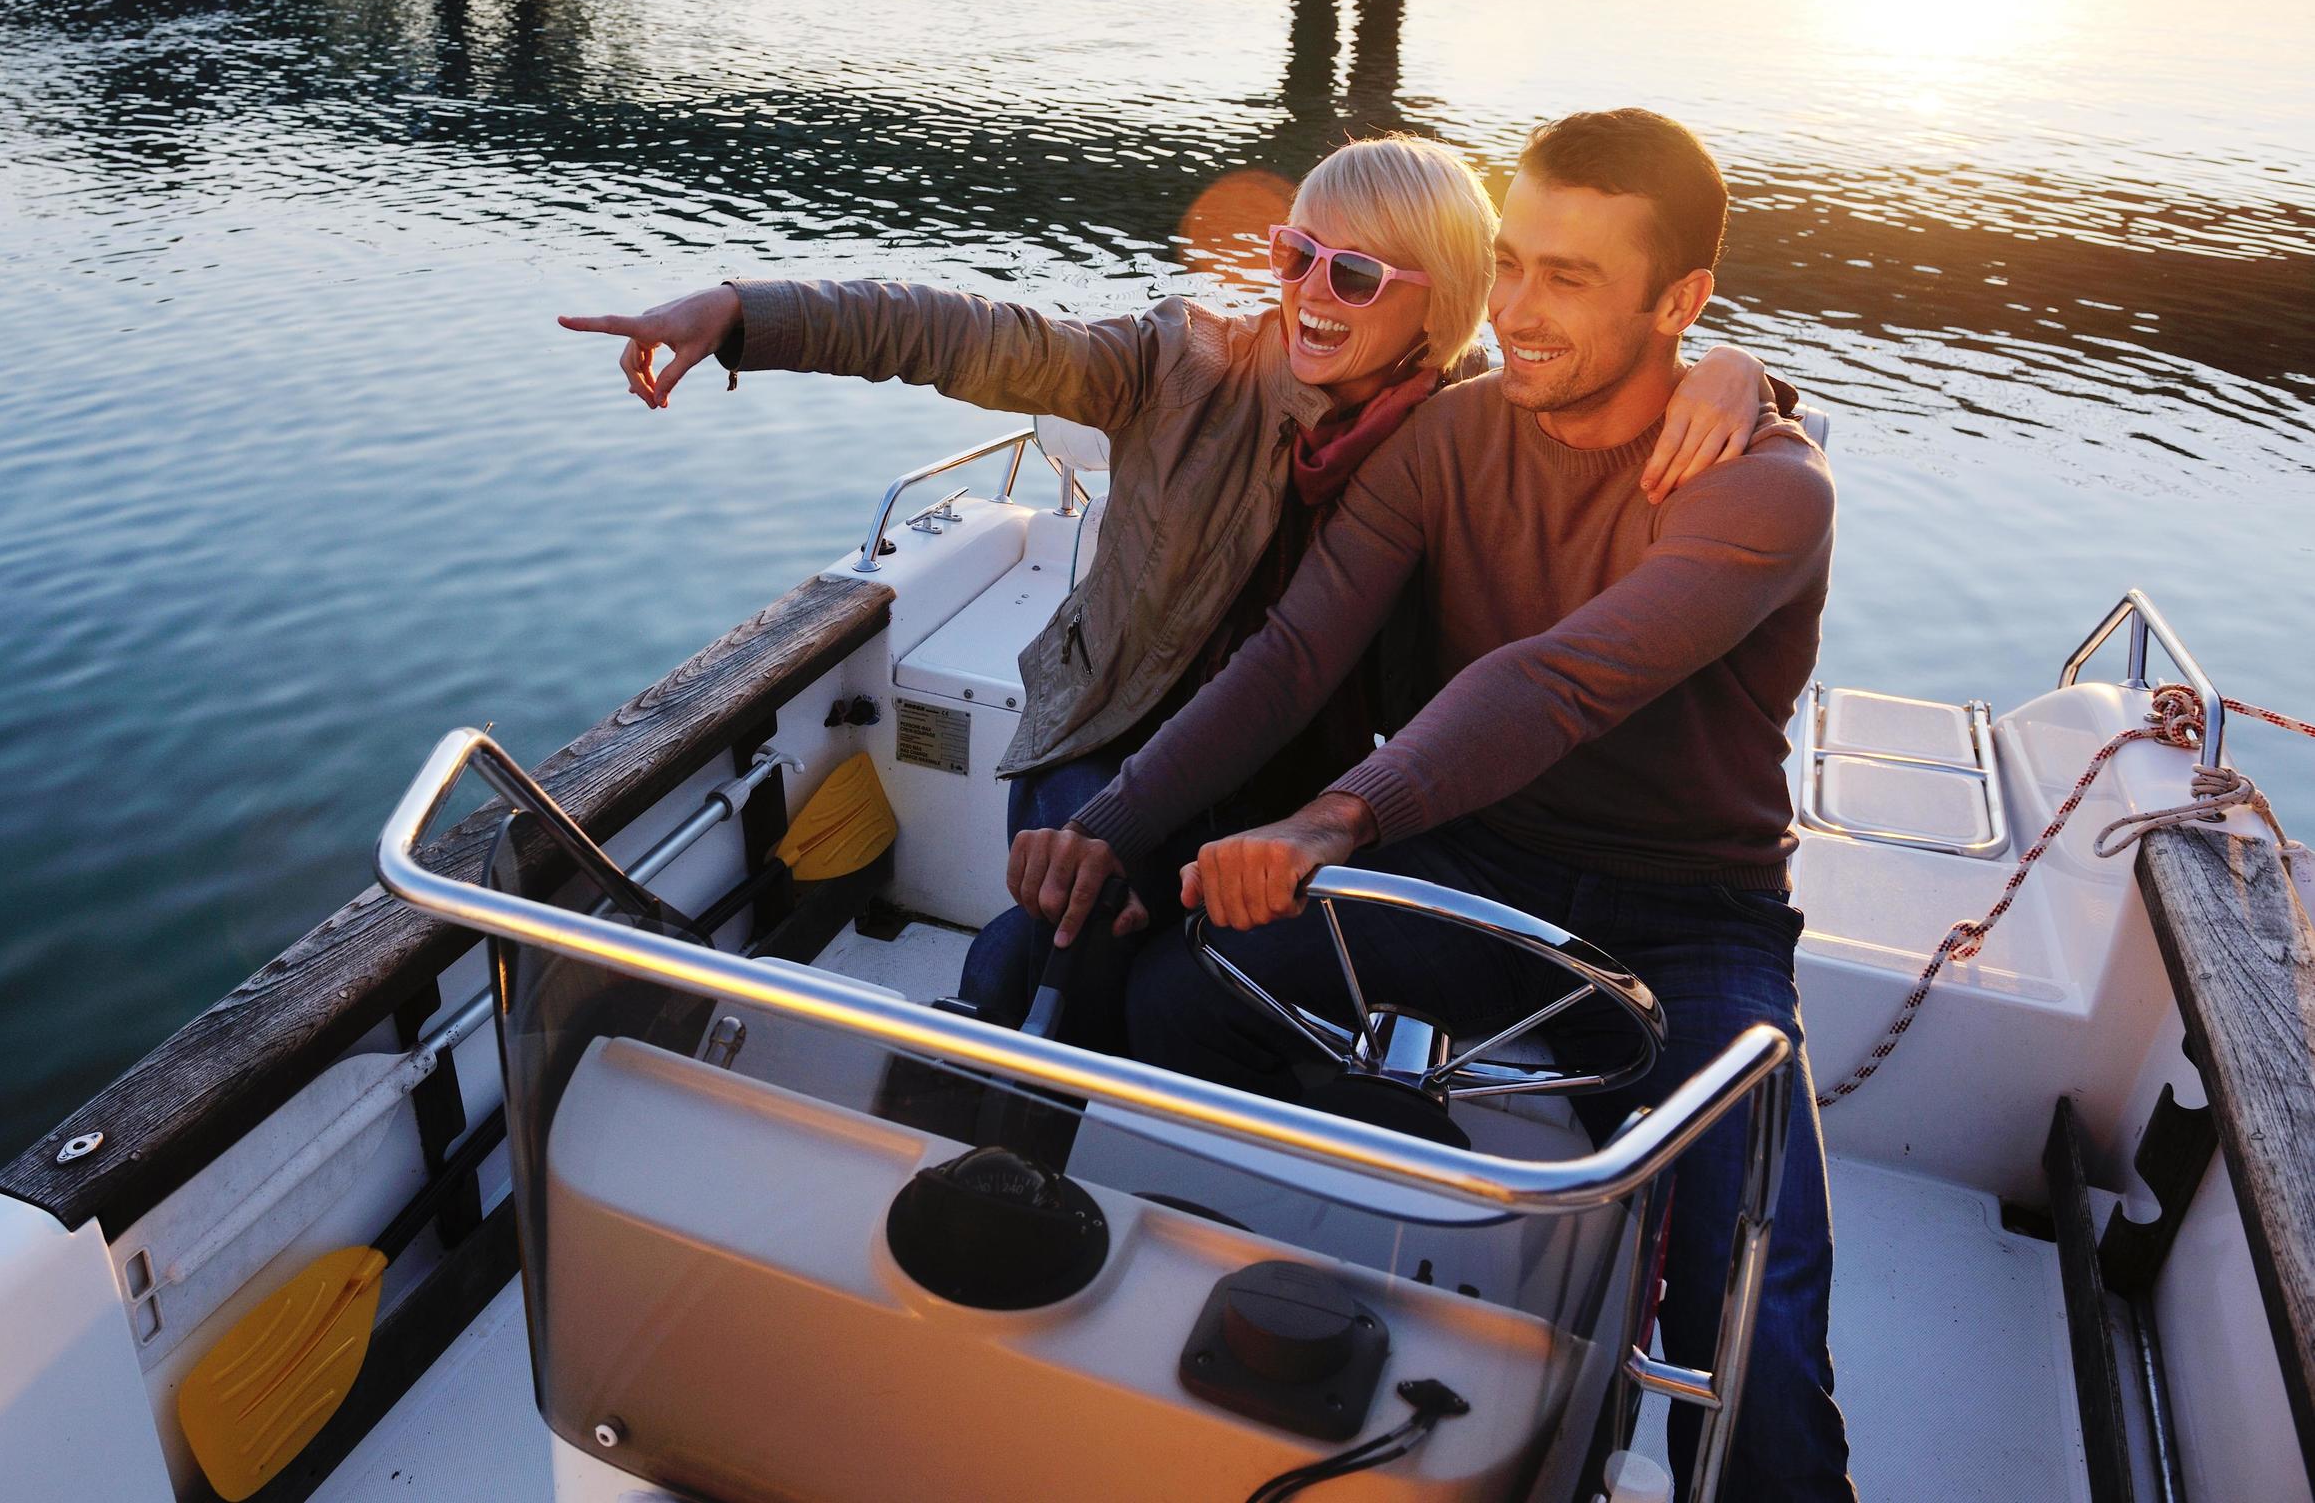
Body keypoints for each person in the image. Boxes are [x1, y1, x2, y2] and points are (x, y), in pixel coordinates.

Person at [1036, 109, 1848, 1498]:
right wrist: (1112, 822)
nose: (1518, 313)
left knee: (1752, 1299)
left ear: (1684, 305)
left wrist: (1333, 823)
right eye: (1511, 262)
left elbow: (1560, 684)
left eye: (1571, 280)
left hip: (1692, 917)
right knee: (1174, 992)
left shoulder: (1767, 487)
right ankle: (1287, 1309)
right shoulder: (1450, 437)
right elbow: (1297, 656)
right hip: (1483, 862)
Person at [560, 136, 1789, 1050]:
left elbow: (1611, 364)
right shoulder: (1182, 364)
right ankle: (981, 1154)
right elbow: (961, 334)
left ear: (1445, 299)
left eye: (1355, 274)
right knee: (1071, 927)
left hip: (1298, 779)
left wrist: (1744, 374)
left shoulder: (1471, 425)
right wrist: (741, 314)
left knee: (1193, 983)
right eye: (1293, 253)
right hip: (1114, 738)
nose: (1308, 292)